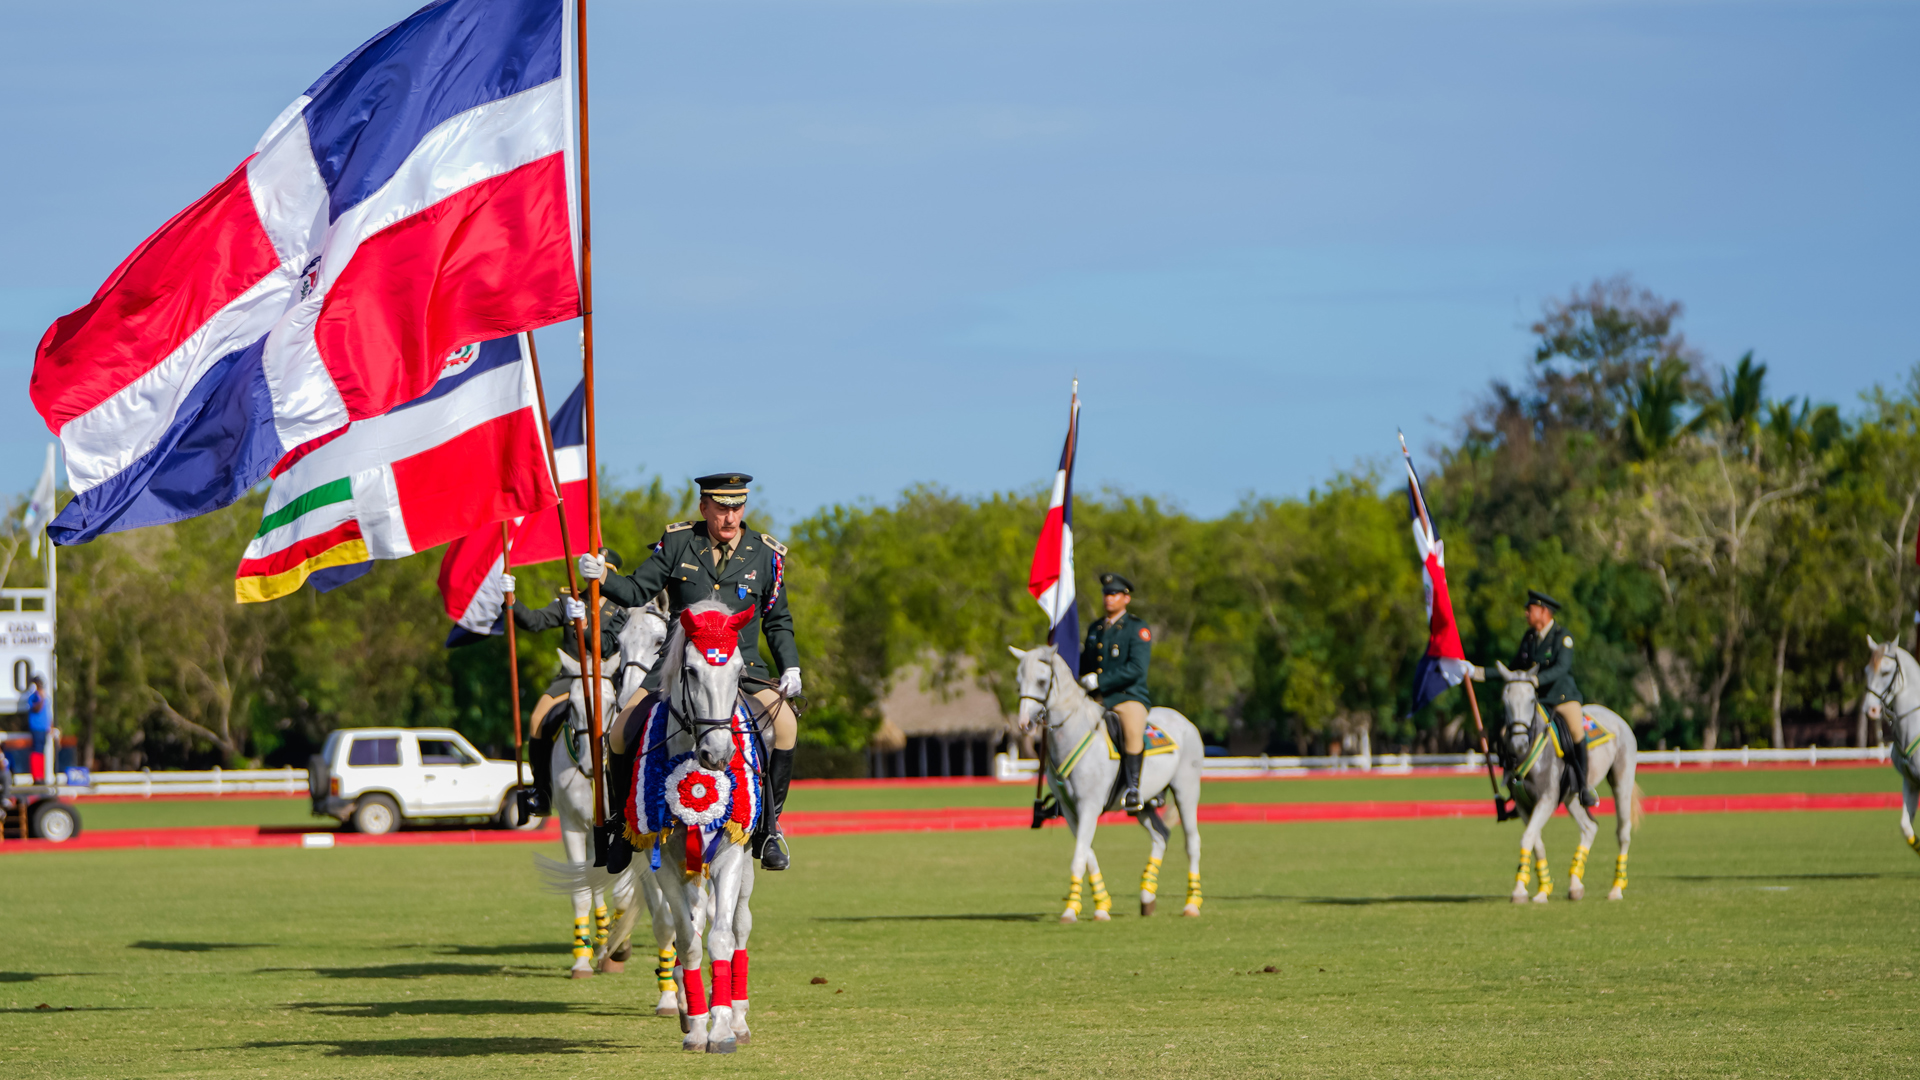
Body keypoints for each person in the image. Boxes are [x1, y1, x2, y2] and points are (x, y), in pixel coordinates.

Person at [580, 473, 803, 871]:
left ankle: (769, 829)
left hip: (742, 669)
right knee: (618, 734)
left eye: (737, 508)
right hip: (675, 669)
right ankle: (620, 825)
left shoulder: (765, 554)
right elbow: (635, 591)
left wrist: (791, 667)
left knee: (786, 727)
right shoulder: (679, 543)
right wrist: (602, 578)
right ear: (704, 508)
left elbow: (777, 620)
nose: (730, 518)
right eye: (721, 508)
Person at [498, 549, 629, 817]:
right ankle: (542, 792)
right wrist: (511, 599)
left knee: (629, 727)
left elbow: (606, 645)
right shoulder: (569, 600)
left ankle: (626, 795)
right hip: (571, 677)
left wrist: (582, 624)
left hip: (608, 679)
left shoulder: (622, 610)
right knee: (537, 720)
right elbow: (534, 622)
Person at [1509, 589, 1597, 808]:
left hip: (1563, 698)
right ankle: (1513, 787)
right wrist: (1477, 672)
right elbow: (1514, 669)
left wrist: (1535, 681)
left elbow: (1561, 668)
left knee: (1577, 732)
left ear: (1543, 611)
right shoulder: (1529, 638)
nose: (1526, 614)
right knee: (1509, 730)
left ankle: (1584, 787)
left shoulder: (1562, 637)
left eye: (1530, 610)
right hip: (1539, 701)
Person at [1079, 573, 1153, 812]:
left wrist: (1100, 680)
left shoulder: (1136, 628)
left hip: (1127, 696)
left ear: (1126, 598)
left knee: (1132, 730)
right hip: (1096, 698)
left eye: (1114, 594)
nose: (1108, 598)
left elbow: (1136, 668)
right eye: (1106, 594)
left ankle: (1133, 789)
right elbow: (1085, 662)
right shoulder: (1096, 628)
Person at [24, 675, 51, 784]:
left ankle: (41, 775)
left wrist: (50, 725)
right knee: (36, 750)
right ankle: (37, 776)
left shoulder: (44, 696)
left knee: (41, 751)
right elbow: (36, 708)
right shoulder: (34, 697)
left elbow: (47, 712)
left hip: (44, 727)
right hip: (36, 727)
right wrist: (41, 698)